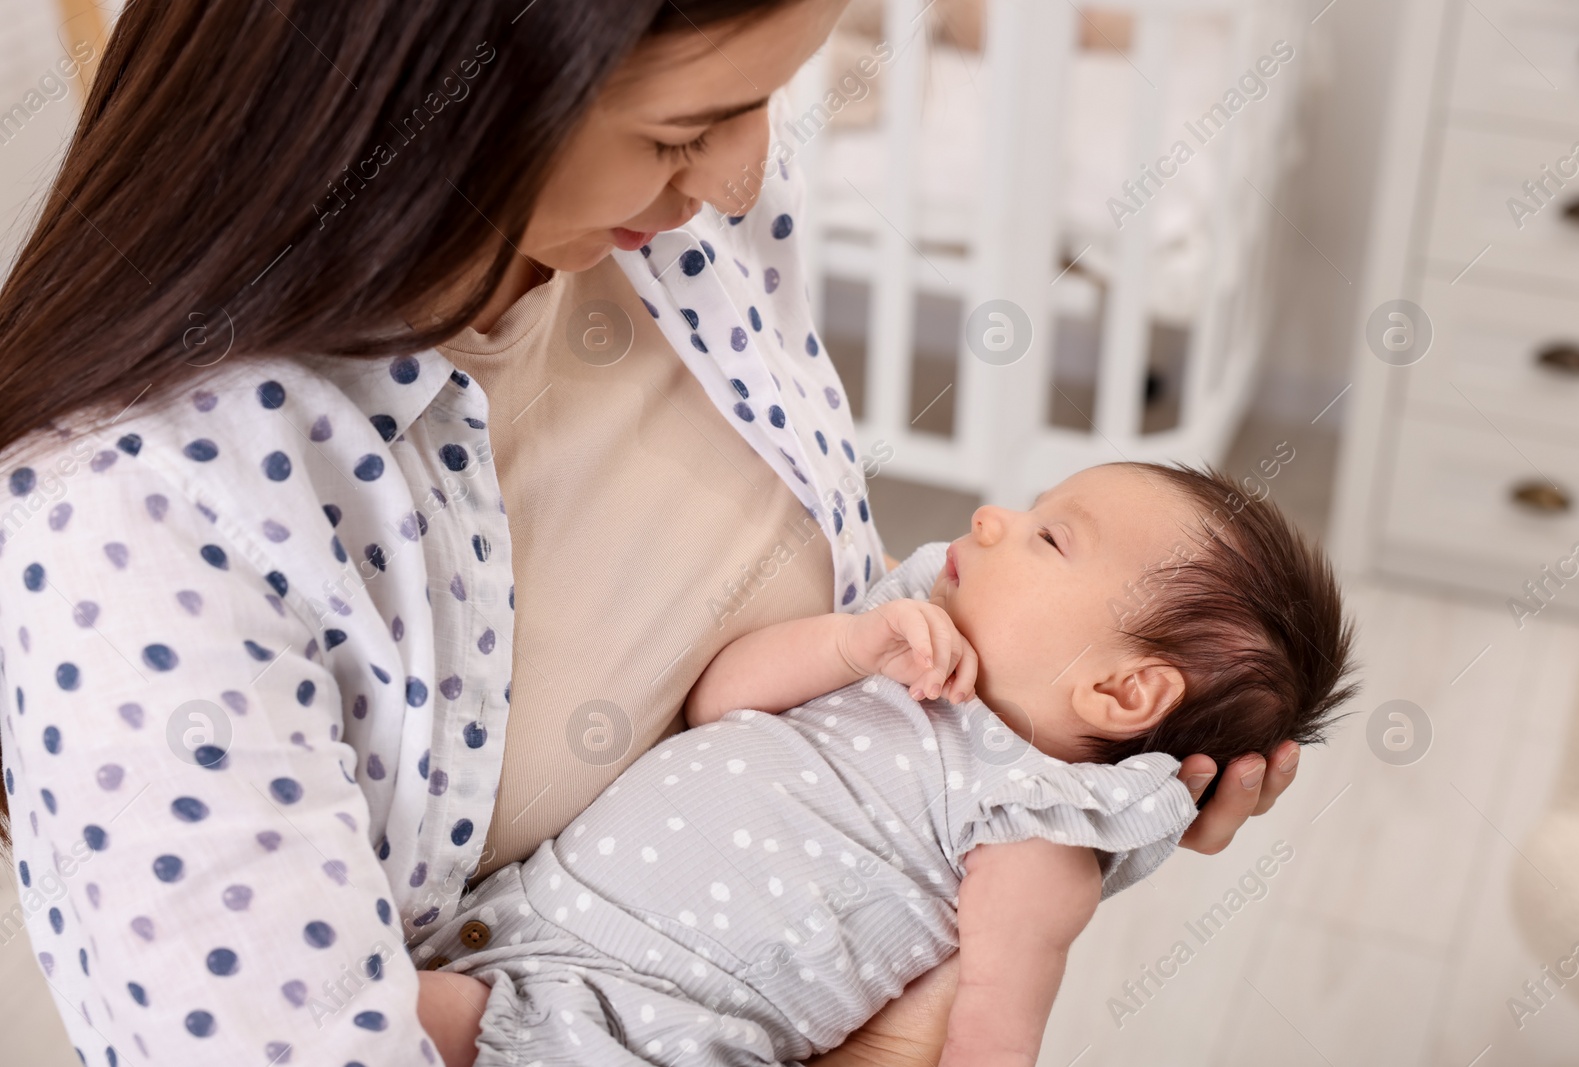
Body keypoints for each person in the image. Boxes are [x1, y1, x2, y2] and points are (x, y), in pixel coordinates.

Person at [0, 2, 1304, 1065]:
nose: (743, 177)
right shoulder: (143, 528)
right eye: (687, 132)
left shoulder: (682, 227)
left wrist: (1084, 801)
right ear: (441, 95)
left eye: (761, 107)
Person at [402, 461, 1355, 1067]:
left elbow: (993, 1029)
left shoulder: (1033, 827)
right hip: (525, 921)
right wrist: (852, 647)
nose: (990, 517)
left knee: (383, 1027)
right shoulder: (907, 651)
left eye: (1049, 535)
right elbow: (719, 702)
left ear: (1120, 694)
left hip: (647, 1024)